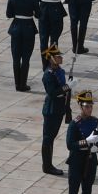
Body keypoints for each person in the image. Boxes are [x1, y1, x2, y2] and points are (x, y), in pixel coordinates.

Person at [65, 89, 98, 194]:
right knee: (73, 193)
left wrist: (97, 148)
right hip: (76, 162)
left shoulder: (95, 122)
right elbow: (70, 144)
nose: (89, 108)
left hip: (90, 161)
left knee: (87, 192)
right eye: (86, 106)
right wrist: (86, 142)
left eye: (91, 106)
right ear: (80, 106)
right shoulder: (75, 124)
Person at [39, 44, 71, 176]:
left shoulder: (59, 71)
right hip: (51, 110)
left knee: (52, 137)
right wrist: (66, 87)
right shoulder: (48, 75)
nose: (60, 58)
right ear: (51, 58)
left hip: (59, 109)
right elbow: (52, 92)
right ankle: (47, 166)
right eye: (57, 56)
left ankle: (49, 164)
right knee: (48, 139)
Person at [5, 0, 38, 91]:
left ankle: (17, 84)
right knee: (26, 58)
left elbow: (9, 14)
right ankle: (23, 84)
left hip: (16, 28)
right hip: (28, 28)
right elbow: (38, 15)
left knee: (16, 58)